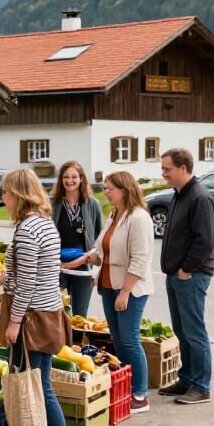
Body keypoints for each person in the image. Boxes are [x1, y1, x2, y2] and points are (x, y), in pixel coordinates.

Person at [0, 169, 73, 426]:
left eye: (5, 193)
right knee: (42, 388)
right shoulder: (44, 224)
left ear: (18, 195)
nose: (3, 199)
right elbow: (25, 271)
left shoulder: (26, 230)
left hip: (31, 318)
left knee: (30, 391)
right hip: (48, 314)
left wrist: (15, 323)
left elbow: (27, 283)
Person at [68, 171, 154, 412]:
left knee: (130, 340)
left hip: (129, 289)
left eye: (110, 188)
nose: (106, 192)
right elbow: (101, 249)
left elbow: (140, 259)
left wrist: (125, 292)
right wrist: (84, 258)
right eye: (105, 188)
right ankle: (126, 384)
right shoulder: (114, 215)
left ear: (125, 190)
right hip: (108, 285)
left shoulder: (139, 218)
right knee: (118, 340)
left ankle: (140, 393)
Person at [158, 147, 214, 405]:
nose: (163, 174)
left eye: (167, 169)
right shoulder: (179, 195)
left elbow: (205, 241)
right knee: (181, 330)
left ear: (183, 168)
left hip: (191, 276)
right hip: (176, 274)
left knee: (194, 331)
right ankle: (187, 379)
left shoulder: (199, 198)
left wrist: (186, 269)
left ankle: (201, 386)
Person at [50, 161, 103, 318]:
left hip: (83, 266)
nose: (69, 181)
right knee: (56, 312)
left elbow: (100, 236)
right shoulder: (52, 203)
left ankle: (77, 342)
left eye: (74, 177)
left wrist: (93, 258)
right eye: (65, 177)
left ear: (81, 179)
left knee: (80, 314)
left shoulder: (92, 203)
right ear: (60, 180)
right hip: (57, 265)